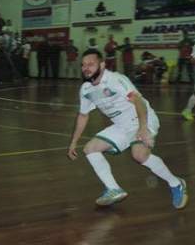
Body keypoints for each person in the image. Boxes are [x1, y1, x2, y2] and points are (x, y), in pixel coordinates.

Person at [68, 49, 187, 209]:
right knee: (90, 148)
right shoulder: (86, 89)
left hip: (143, 119)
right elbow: (83, 116)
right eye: (83, 65)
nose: (86, 68)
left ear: (102, 65)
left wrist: (143, 129)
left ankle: (176, 183)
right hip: (122, 125)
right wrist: (73, 142)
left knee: (139, 155)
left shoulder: (116, 79)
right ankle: (113, 188)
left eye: (91, 64)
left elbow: (138, 101)